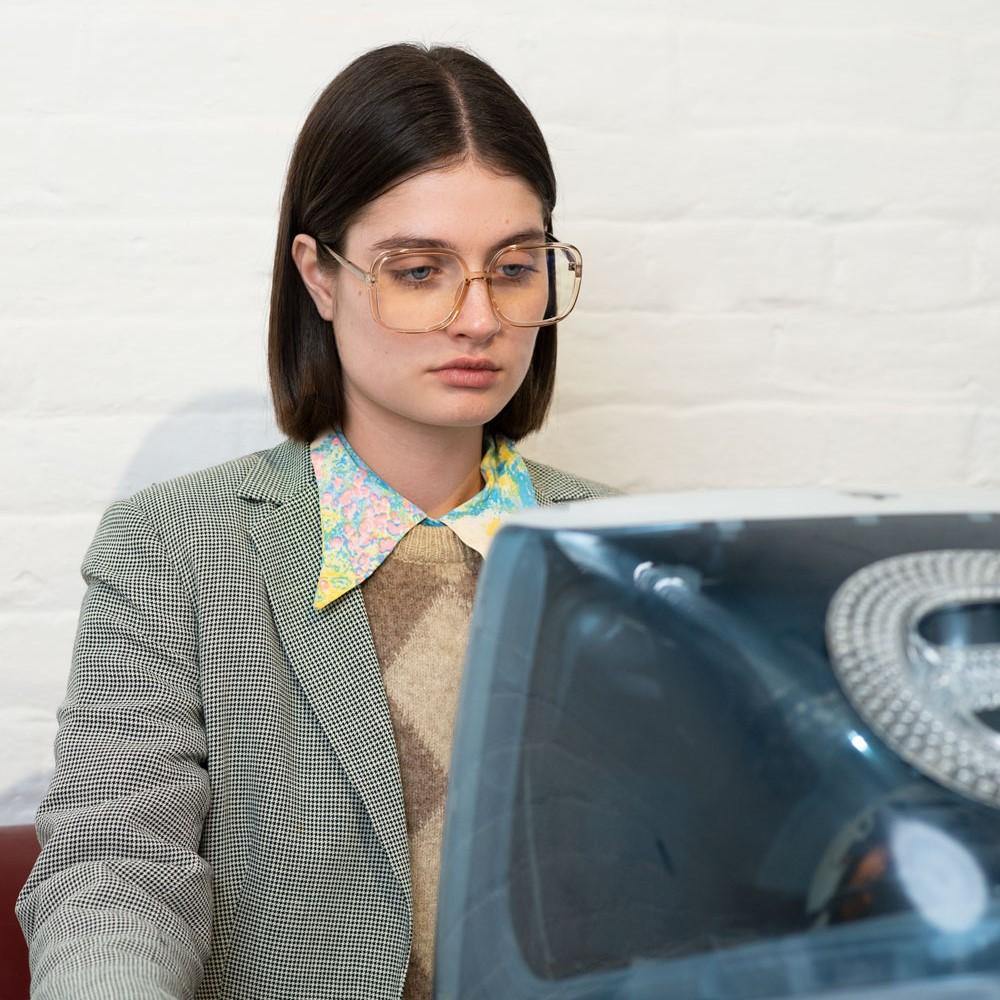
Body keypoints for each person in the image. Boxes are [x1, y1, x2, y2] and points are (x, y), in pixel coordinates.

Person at [16, 41, 623, 1000]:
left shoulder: (635, 553)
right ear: (320, 274)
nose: (478, 318)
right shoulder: (179, 546)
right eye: (419, 270)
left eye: (514, 267)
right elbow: (116, 865)